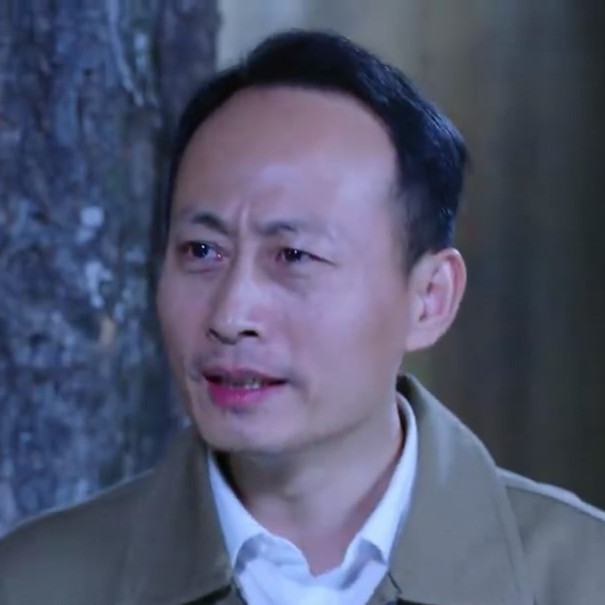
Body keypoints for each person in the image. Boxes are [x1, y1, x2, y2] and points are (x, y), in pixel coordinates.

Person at [1, 29, 604, 605]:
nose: (231, 315)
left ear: (429, 298)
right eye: (202, 251)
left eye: (293, 256)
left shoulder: (581, 576)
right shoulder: (34, 584)